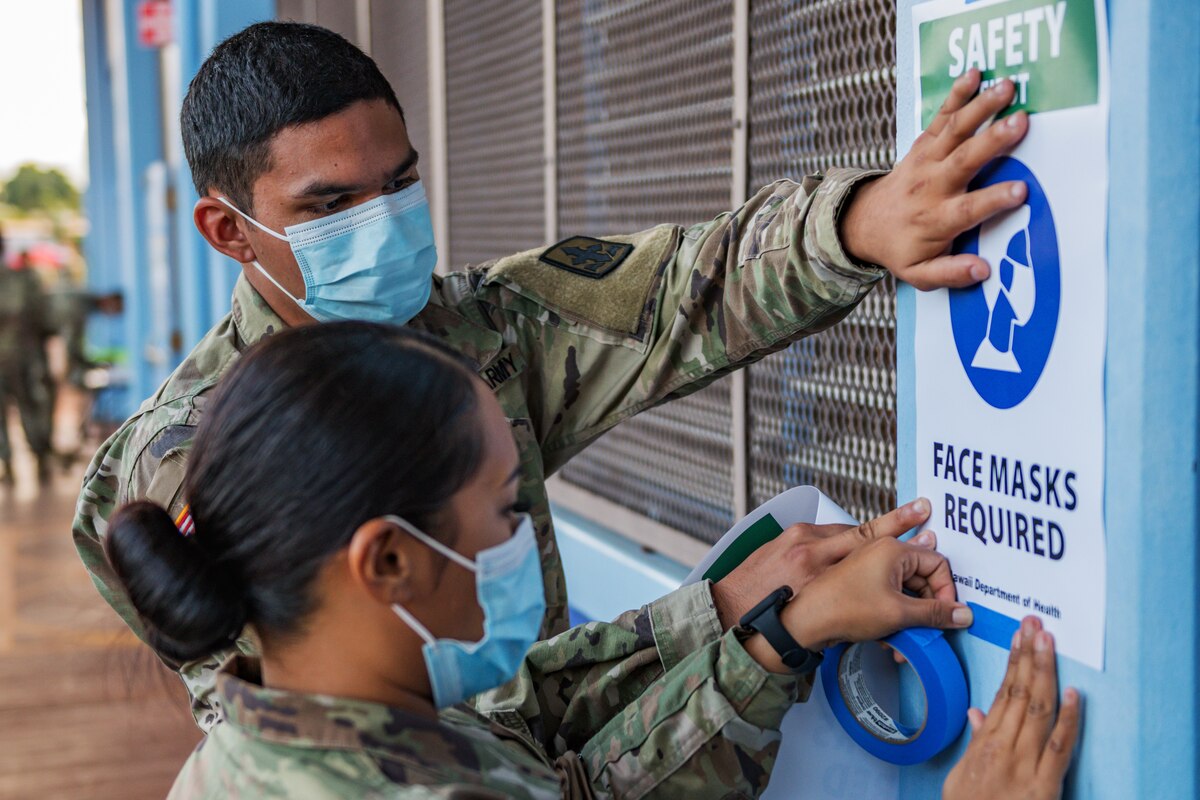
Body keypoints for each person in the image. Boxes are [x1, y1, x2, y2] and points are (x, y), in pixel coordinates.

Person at [73, 20, 1034, 729]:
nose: (384, 221)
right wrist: (744, 621)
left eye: (399, 183)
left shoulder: (476, 326)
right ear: (229, 230)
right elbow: (431, 745)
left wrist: (860, 224)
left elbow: (677, 293)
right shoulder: (195, 457)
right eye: (331, 206)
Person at [103, 323, 1078, 798]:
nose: (523, 532)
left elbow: (555, 768)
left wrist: (770, 630)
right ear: (390, 560)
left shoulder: (268, 731)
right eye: (504, 505)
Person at [0, 243, 54, 485]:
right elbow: (42, 319)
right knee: (30, 407)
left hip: (21, 355)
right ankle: (37, 457)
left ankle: (14, 462)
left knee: (26, 407)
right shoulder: (26, 280)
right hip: (25, 354)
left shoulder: (23, 279)